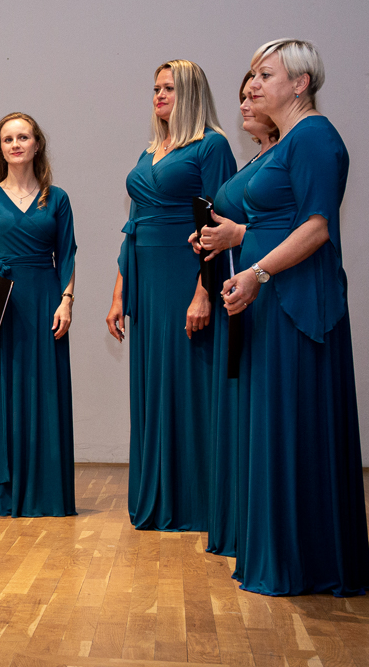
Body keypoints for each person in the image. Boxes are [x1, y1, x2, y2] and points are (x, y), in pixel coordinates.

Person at [220, 39, 369, 596]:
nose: (253, 84)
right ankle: (283, 553)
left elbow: (316, 227)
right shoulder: (291, 141)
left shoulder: (314, 136)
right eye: (253, 75)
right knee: (277, 426)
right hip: (275, 299)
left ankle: (301, 561)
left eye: (266, 74)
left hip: (297, 303)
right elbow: (279, 223)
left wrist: (256, 272)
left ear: (301, 83)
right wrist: (242, 244)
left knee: (293, 424)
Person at [106, 59, 235, 531]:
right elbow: (133, 226)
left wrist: (204, 291)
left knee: (188, 384)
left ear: (192, 93)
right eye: (156, 88)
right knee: (152, 386)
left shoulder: (212, 145)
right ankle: (158, 494)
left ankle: (195, 502)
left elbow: (218, 222)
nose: (159, 95)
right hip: (146, 281)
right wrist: (120, 292)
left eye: (170, 88)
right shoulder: (149, 153)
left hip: (186, 275)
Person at [0, 113, 76, 517]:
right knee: (2, 393)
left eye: (23, 137)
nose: (15, 144)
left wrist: (67, 300)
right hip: (1, 304)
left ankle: (45, 492)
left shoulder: (57, 198)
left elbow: (67, 255)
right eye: (8, 139)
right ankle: (5, 492)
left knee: (45, 393)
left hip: (45, 299)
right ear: (0, 148)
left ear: (36, 144)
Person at [190, 71, 280, 557]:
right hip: (237, 290)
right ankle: (239, 522)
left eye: (254, 93)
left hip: (263, 293)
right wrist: (212, 236)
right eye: (242, 95)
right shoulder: (257, 159)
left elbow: (298, 227)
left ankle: (258, 528)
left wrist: (236, 236)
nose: (245, 103)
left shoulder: (282, 156)